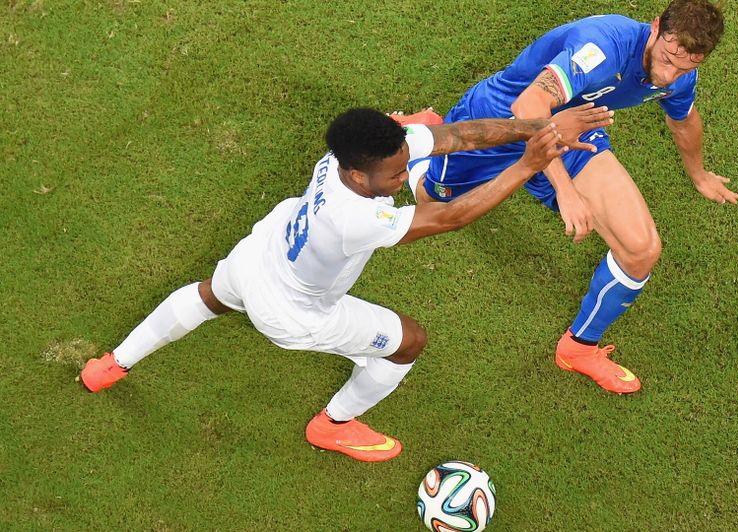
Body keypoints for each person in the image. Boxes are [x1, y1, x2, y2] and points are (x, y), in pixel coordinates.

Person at [80, 104, 613, 462]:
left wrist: (540, 128)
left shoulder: (354, 155)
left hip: (259, 253)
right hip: (294, 310)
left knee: (210, 296)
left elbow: (456, 136)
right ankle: (333, 424)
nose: (405, 179)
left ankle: (111, 366)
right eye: (396, 176)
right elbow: (447, 218)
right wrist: (528, 163)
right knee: (409, 341)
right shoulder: (354, 216)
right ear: (360, 178)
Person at [409, 0, 736, 395]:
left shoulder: (679, 73)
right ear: (654, 28)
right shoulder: (602, 47)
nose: (669, 74)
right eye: (667, 58)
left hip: (574, 132)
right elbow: (528, 105)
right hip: (498, 124)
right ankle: (425, 135)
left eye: (684, 67)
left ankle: (578, 348)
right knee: (431, 204)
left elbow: (682, 118)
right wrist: (565, 191)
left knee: (641, 249)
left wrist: (698, 175)